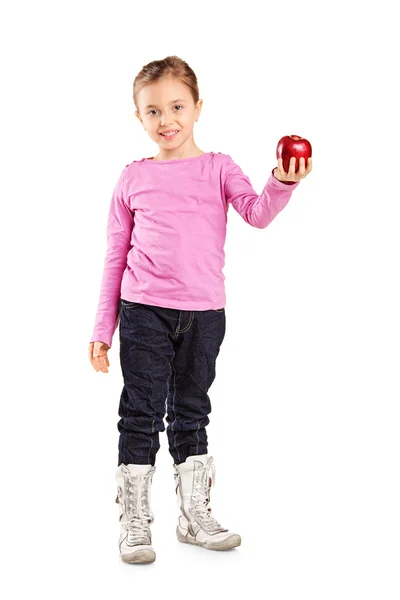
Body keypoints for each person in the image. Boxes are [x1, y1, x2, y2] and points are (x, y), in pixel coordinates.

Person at [88, 55, 312, 564]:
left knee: (191, 412)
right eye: (152, 111)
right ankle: (136, 521)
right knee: (140, 414)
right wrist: (104, 328)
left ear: (197, 107)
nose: (166, 120)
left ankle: (194, 517)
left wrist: (283, 179)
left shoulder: (219, 168)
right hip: (143, 309)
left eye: (176, 106)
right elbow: (114, 256)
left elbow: (256, 214)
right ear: (138, 117)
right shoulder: (131, 178)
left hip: (205, 314)